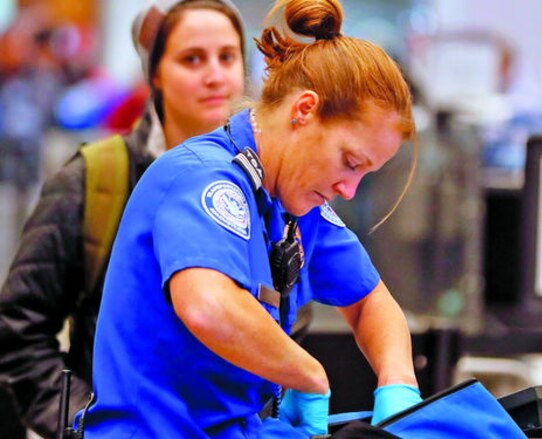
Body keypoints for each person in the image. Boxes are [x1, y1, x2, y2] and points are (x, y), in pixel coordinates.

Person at [78, 0, 422, 437]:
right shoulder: (202, 178)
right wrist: (307, 374)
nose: (349, 190)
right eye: (350, 162)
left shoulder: (296, 203)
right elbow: (208, 305)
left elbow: (371, 301)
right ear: (304, 111)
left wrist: (399, 390)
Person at [0, 1, 246, 437]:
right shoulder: (96, 178)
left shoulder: (267, 186)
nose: (214, 75)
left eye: (227, 57)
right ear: (155, 74)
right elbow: (19, 331)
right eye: (192, 58)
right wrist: (89, 422)